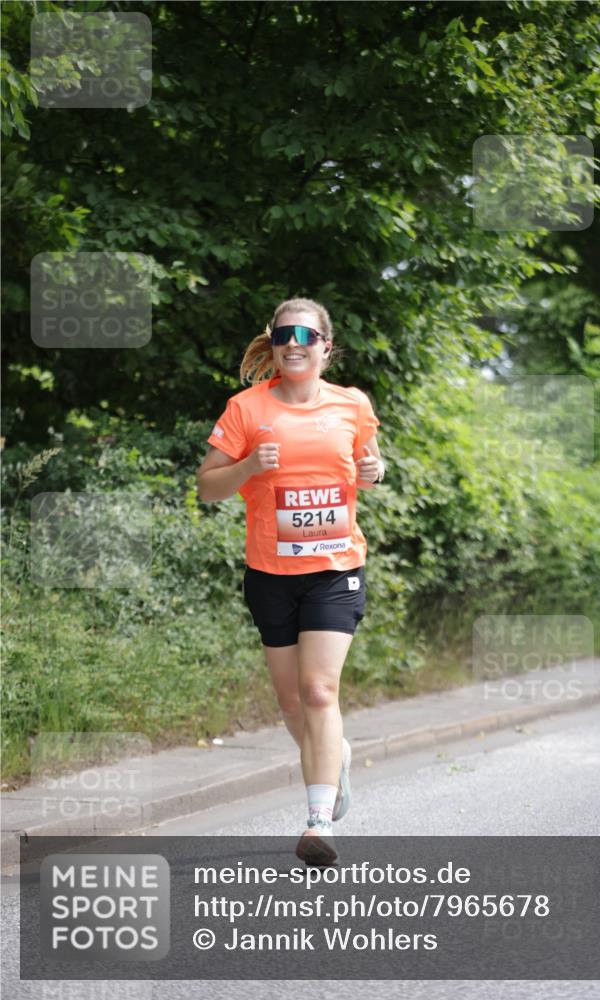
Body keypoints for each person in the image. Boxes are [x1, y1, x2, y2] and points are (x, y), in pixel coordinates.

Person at [197, 296, 384, 866]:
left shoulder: (352, 405)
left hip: (334, 570)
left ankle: (317, 821)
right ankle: (336, 758)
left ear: (326, 347)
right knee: (290, 701)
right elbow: (207, 487)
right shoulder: (247, 409)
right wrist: (250, 467)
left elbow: (370, 466)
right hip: (271, 574)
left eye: (306, 334)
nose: (294, 343)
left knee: (318, 691)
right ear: (274, 345)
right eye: (284, 335)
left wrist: (376, 470)